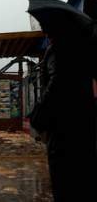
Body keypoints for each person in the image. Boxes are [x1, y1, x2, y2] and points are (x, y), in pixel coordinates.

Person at [30, 32, 96, 201]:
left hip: (62, 129)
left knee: (64, 181)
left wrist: (38, 115)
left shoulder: (59, 49)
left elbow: (56, 84)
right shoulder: (85, 51)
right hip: (85, 126)